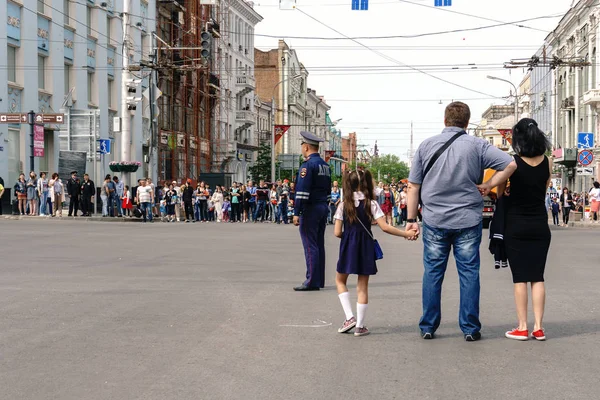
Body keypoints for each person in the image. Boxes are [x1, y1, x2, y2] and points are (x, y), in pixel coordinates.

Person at [406, 101, 517, 341]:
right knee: (469, 273)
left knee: (433, 273)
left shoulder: (426, 146)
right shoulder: (477, 145)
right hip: (467, 219)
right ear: (467, 123)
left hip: (435, 220)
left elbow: (413, 186)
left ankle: (428, 326)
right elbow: (510, 164)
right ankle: (469, 328)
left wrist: (411, 219)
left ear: (445, 121)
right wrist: (488, 185)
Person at [478, 118, 552, 341]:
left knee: (520, 277)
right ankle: (539, 328)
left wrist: (498, 191)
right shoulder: (547, 162)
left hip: (516, 225)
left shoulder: (513, 163)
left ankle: (522, 327)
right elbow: (544, 188)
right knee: (537, 277)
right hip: (540, 225)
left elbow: (493, 186)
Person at [334, 169, 418, 336]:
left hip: (348, 245)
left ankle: (349, 317)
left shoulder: (343, 204)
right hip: (365, 245)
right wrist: (406, 234)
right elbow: (385, 227)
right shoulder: (371, 204)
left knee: (340, 280)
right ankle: (360, 326)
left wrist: (349, 238)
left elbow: (337, 232)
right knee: (362, 286)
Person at [293, 131, 332, 291]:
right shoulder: (325, 165)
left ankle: (311, 281)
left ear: (307, 147)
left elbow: (302, 191)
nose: (302, 148)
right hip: (323, 207)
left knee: (310, 245)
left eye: (302, 145)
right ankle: (319, 279)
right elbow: (328, 190)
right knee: (319, 244)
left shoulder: (307, 166)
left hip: (310, 208)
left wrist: (296, 212)